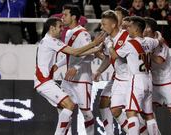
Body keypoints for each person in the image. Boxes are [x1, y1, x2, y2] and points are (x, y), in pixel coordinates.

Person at [34, 17, 105, 135]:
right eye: (59, 27)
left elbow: (76, 53)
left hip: (45, 81)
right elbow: (75, 52)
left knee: (64, 109)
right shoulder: (51, 41)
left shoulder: (48, 40)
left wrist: (96, 49)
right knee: (70, 105)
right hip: (44, 82)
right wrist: (94, 44)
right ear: (52, 28)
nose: (62, 29)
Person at [108, 16, 161, 135]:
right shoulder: (149, 41)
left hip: (136, 80)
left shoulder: (130, 44)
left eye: (130, 26)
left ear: (136, 29)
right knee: (149, 115)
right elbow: (159, 40)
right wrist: (158, 34)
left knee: (131, 112)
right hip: (148, 79)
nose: (127, 28)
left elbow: (115, 56)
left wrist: (109, 45)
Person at [57, 5, 100, 135]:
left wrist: (76, 68)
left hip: (82, 79)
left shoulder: (83, 33)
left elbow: (90, 54)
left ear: (74, 17)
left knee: (86, 112)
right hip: (69, 79)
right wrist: (56, 65)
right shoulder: (68, 33)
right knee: (61, 106)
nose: (62, 17)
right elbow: (70, 55)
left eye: (65, 15)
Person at [144, 17, 171, 135]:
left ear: (150, 29)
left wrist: (146, 52)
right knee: (148, 112)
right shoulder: (144, 41)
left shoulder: (161, 41)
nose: (142, 29)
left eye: (145, 26)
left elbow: (159, 60)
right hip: (152, 82)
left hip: (167, 81)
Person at [93, 10, 130, 134]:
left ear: (113, 25)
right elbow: (108, 58)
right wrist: (98, 71)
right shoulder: (108, 39)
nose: (101, 27)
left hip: (131, 78)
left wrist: (109, 46)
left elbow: (118, 57)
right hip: (119, 77)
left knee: (137, 114)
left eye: (104, 24)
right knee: (108, 106)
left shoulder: (126, 36)